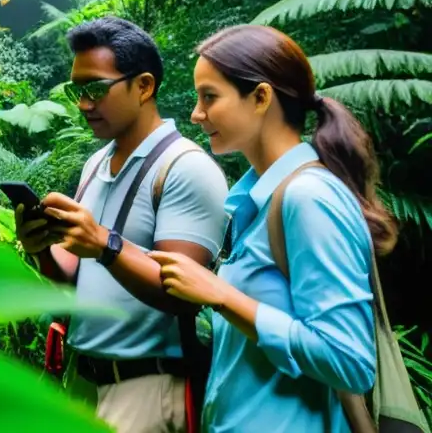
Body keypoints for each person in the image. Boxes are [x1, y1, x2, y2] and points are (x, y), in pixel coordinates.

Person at [149, 25, 396, 432]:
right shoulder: (255, 203)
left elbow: (350, 361)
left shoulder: (309, 198)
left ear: (261, 97)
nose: (196, 113)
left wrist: (224, 297)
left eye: (209, 96)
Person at [18, 17, 229, 433]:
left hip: (148, 388)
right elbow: (70, 276)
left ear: (144, 86)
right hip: (83, 382)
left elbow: (184, 296)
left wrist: (104, 245)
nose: (83, 104)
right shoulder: (97, 162)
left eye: (96, 89)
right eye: (77, 91)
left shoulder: (185, 169)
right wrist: (40, 246)